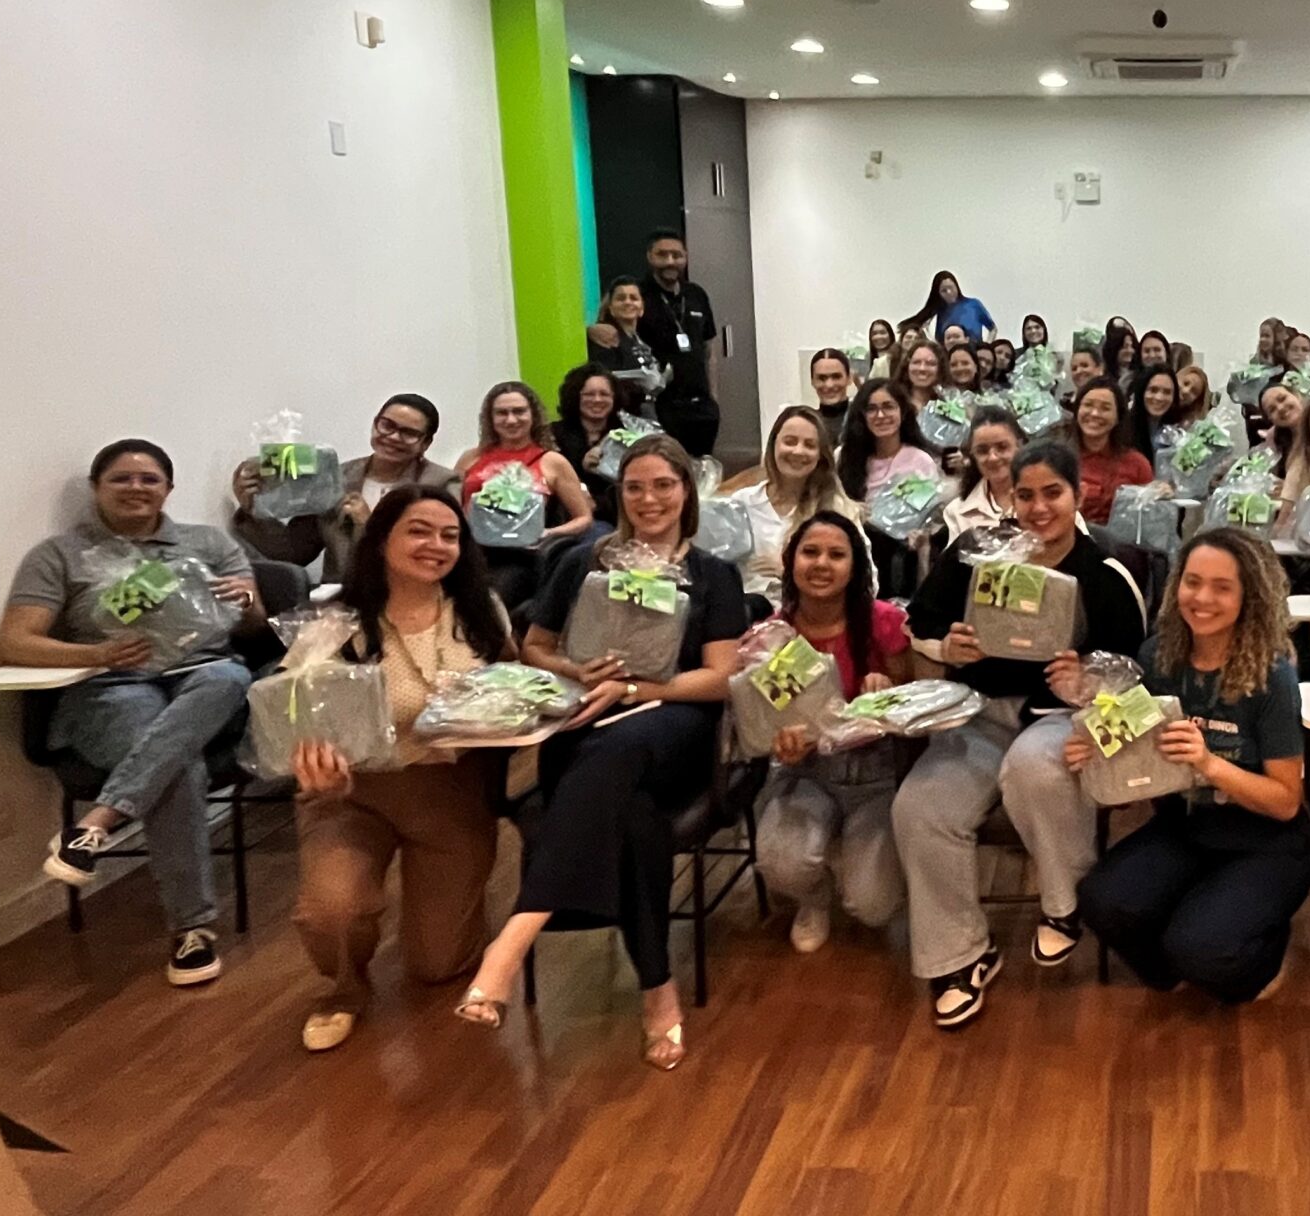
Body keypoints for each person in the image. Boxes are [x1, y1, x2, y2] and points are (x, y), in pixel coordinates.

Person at [456, 437, 747, 1071]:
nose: (649, 499)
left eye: (664, 486)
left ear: (687, 494)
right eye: (636, 487)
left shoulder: (713, 575)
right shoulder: (581, 562)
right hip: (584, 720)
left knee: (622, 753)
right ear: (620, 494)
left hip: (674, 727)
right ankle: (658, 993)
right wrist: (577, 670)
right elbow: (534, 646)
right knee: (634, 817)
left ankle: (515, 935)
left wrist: (638, 688)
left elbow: (722, 676)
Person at [895, 442, 1149, 1028]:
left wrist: (1086, 683)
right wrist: (944, 645)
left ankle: (1064, 906)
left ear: (1078, 495)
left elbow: (1136, 674)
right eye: (1025, 495)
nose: (1038, 508)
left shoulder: (1107, 570)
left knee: (1033, 769)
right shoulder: (975, 555)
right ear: (1009, 497)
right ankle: (959, 955)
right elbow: (921, 622)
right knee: (920, 809)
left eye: (1052, 493)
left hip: (1059, 718)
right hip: (977, 712)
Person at [0, 439, 261, 986]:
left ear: (169, 489)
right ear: (97, 488)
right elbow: (17, 642)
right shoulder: (60, 555)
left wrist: (245, 600)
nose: (136, 488)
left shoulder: (208, 543)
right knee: (177, 763)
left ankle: (98, 823)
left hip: (203, 676)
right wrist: (94, 653)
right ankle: (193, 930)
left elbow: (255, 627)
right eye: (121, 479)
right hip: (113, 685)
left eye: (149, 479)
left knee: (231, 675)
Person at [289, 487, 511, 1052]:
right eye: (418, 530)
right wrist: (311, 765)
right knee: (331, 909)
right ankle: (343, 988)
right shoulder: (332, 623)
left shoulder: (481, 612)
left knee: (439, 964)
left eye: (449, 535)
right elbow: (287, 711)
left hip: (450, 790)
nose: (435, 545)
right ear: (382, 538)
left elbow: (515, 691)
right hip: (352, 794)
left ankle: (453, 907)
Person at [1071, 529, 1310, 1003]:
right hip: (1188, 827)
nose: (1202, 598)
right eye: (1192, 581)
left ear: (1250, 596)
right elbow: (1131, 750)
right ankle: (1191, 950)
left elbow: (1286, 803)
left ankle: (1262, 958)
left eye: (1222, 587)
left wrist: (1208, 763)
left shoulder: (1273, 676)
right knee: (1103, 903)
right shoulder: (1158, 657)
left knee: (1203, 948)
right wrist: (1092, 751)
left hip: (1268, 841)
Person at [756, 512, 915, 952]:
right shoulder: (772, 635)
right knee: (780, 863)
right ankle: (815, 895)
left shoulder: (884, 622)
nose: (821, 563)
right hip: (805, 772)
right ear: (791, 562)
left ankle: (849, 856)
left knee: (874, 907)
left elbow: (916, 696)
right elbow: (764, 716)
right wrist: (781, 741)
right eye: (810, 552)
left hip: (878, 774)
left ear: (855, 566)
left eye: (836, 554)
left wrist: (887, 693)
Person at [231, 393, 457, 577]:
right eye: (387, 425)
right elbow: (293, 552)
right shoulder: (336, 477)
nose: (394, 437)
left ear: (425, 443)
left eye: (408, 433)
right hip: (343, 606)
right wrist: (254, 508)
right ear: (375, 425)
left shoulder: (440, 484)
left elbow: (439, 559)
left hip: (411, 600)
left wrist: (369, 526)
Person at [452, 383, 597, 617]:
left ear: (533, 415)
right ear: (490, 418)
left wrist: (548, 533)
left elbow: (584, 518)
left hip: (519, 558)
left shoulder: (552, 462)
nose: (511, 420)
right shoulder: (470, 458)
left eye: (519, 411)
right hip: (467, 552)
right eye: (502, 413)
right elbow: (450, 507)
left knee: (485, 604)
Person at [608, 230, 720, 460]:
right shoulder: (638, 296)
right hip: (660, 409)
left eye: (676, 255)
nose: (670, 261)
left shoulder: (696, 294)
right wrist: (595, 328)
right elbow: (612, 321)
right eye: (662, 254)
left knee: (703, 471)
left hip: (702, 408)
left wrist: (714, 398)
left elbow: (710, 350)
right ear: (650, 257)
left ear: (685, 257)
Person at [726, 406, 861, 596]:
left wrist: (791, 573)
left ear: (820, 455)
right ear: (773, 445)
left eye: (809, 445)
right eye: (790, 442)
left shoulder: (838, 510)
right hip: (748, 616)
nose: (798, 451)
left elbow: (868, 582)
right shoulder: (740, 504)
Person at [837, 378, 939, 597]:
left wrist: (919, 533)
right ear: (862, 416)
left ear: (902, 412)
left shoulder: (919, 461)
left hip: (900, 555)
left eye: (888, 407)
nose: (880, 416)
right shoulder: (843, 457)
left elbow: (928, 516)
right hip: (851, 545)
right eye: (872, 409)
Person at [1068, 383, 1155, 525]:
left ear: (1118, 417)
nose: (1095, 413)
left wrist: (1158, 492)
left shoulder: (1137, 463)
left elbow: (1149, 517)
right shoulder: (1057, 459)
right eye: (1088, 405)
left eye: (1105, 408)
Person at [552, 363, 627, 525]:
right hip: (569, 519)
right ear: (576, 397)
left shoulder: (627, 435)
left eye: (604, 394)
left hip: (618, 517)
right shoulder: (553, 435)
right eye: (589, 394)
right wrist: (581, 467)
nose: (597, 400)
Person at [587, 276, 666, 418]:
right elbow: (602, 378)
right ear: (610, 308)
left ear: (641, 308)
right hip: (619, 417)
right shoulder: (606, 337)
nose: (628, 302)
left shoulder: (641, 340)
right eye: (621, 298)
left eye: (633, 298)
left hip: (646, 415)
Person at [944, 410, 1024, 540]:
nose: (993, 457)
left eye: (1002, 447)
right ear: (972, 455)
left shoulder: (1041, 501)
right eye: (982, 451)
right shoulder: (957, 512)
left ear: (1019, 445)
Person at [908, 269, 995, 344]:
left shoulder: (973, 305)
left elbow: (993, 329)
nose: (949, 292)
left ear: (957, 286)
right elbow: (938, 342)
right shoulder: (941, 312)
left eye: (951, 288)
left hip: (974, 355)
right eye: (944, 290)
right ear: (939, 294)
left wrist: (987, 346)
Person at [1131, 367, 1181, 467]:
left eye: (1167, 392)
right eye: (1153, 390)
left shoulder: (1176, 432)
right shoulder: (1123, 429)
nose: (1159, 397)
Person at [808, 348, 855, 447]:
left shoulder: (866, 419)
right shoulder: (807, 423)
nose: (829, 385)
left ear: (849, 378)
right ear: (812, 381)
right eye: (822, 378)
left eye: (836, 377)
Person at [899, 339, 946, 415]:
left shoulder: (947, 404)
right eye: (916, 362)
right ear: (907, 366)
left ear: (940, 369)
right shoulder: (894, 401)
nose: (922, 368)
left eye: (930, 363)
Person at [1101, 326, 1142, 395]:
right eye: (1125, 347)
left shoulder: (1140, 375)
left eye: (1131, 346)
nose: (1129, 351)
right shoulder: (1104, 378)